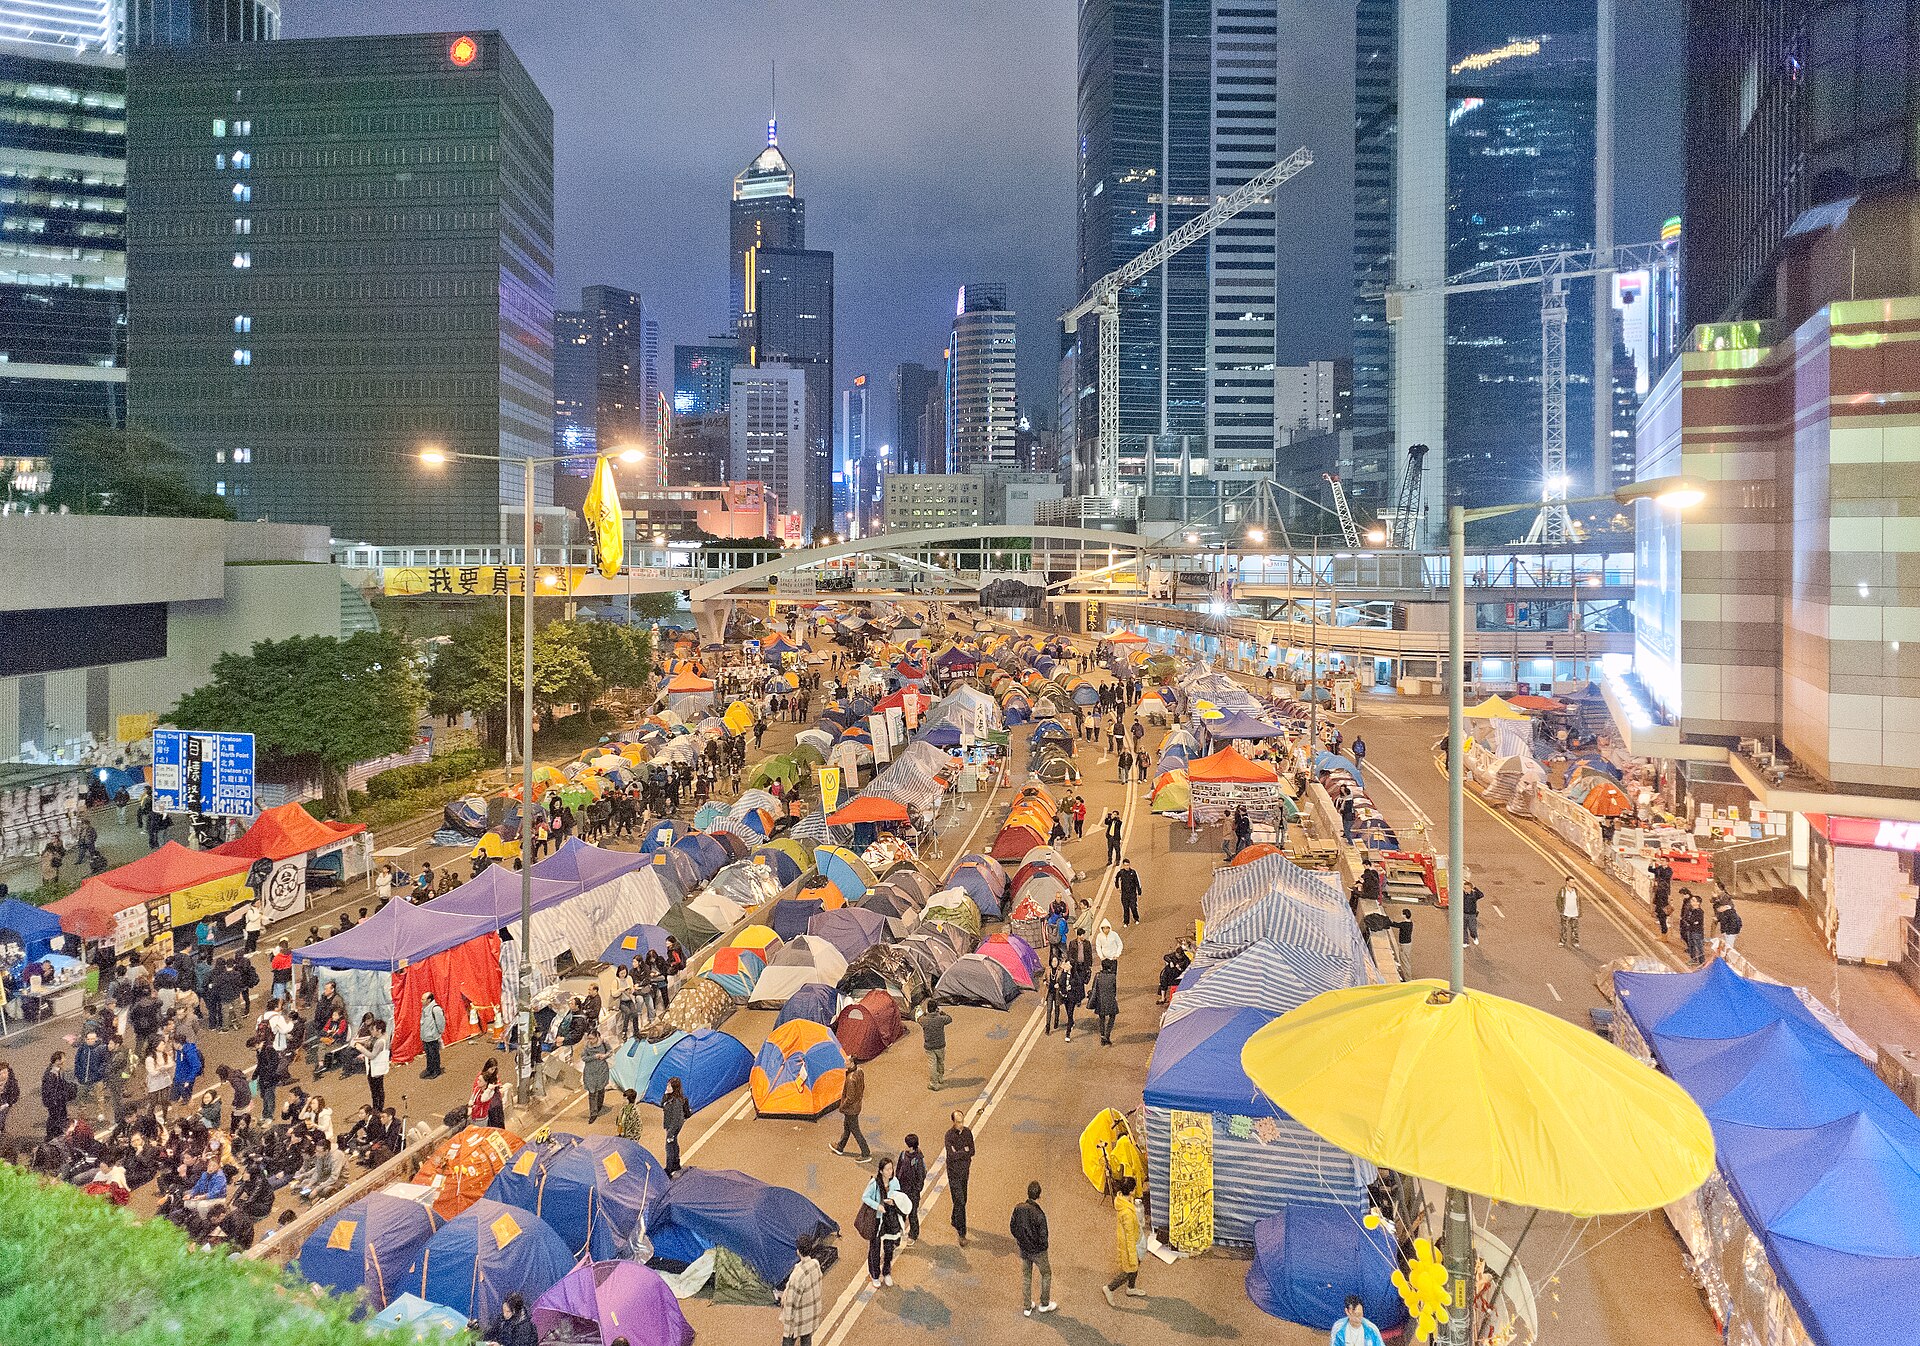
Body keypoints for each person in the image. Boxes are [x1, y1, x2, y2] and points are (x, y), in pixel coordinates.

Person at [859, 1157, 908, 1287]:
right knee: (874, 1248)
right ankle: (874, 1275)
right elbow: (865, 1197)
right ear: (881, 1171)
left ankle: (887, 1272)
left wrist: (893, 1202)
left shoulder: (895, 1182)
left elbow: (899, 1196)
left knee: (889, 1248)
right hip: (877, 1219)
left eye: (891, 1168)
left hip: (890, 1218)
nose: (890, 1171)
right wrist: (877, 1206)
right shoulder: (874, 1183)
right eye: (887, 1169)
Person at [1011, 1181, 1055, 1316]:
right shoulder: (1039, 1214)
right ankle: (1044, 1303)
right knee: (1046, 1274)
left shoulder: (1018, 1208)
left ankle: (1027, 1306)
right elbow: (1043, 1236)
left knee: (1026, 1276)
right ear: (1039, 1195)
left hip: (1024, 1249)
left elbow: (1012, 1227)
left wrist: (1020, 1240)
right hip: (1038, 1252)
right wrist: (1042, 1248)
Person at [1102, 1173, 1145, 1306]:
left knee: (1135, 1266)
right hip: (1130, 1245)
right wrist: (1132, 1258)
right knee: (1130, 1269)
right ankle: (1109, 1288)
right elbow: (1129, 1238)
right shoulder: (1127, 1213)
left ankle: (1131, 1288)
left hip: (1133, 1239)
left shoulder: (1124, 1201)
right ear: (1131, 1191)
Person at [780, 1234, 825, 1346]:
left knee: (788, 1343)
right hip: (811, 1314)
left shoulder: (797, 1275)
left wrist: (787, 1327)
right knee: (806, 1339)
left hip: (798, 1319)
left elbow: (791, 1304)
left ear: (798, 1251)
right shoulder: (815, 1264)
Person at [830, 1059, 872, 1161]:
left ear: (852, 1063)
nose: (844, 1063)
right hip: (856, 1106)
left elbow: (850, 1098)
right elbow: (862, 1087)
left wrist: (842, 1107)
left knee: (855, 1130)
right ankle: (840, 1147)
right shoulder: (860, 1071)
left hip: (850, 1109)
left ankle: (865, 1153)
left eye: (847, 1062)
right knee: (847, 1127)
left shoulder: (850, 1079)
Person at [944, 1110, 975, 1245]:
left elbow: (972, 1151)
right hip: (954, 1173)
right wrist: (964, 1151)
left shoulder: (967, 1132)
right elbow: (951, 1155)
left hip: (964, 1171)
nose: (961, 1124)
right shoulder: (949, 1135)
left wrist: (959, 1152)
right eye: (958, 1122)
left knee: (963, 1199)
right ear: (953, 1122)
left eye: (962, 1121)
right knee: (960, 1201)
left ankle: (954, 1218)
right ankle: (962, 1233)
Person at [895, 1134, 927, 1243]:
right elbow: (898, 1169)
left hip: (912, 1192)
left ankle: (913, 1234)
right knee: (900, 1213)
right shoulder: (903, 1155)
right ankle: (898, 1234)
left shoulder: (918, 1159)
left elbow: (921, 1176)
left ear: (911, 1147)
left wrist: (916, 1190)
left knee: (912, 1214)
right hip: (902, 1190)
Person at [358, 1019, 390, 1112]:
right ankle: (378, 1107)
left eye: (373, 1029)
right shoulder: (383, 1037)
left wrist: (361, 1049)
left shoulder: (380, 1041)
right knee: (379, 1088)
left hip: (375, 1067)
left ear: (379, 1030)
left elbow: (372, 1056)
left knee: (375, 1089)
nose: (371, 1031)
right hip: (378, 1066)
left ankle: (377, 1108)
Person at [918, 1000, 951, 1090]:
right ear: (936, 1008)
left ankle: (934, 1083)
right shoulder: (941, 1019)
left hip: (929, 1046)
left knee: (932, 1064)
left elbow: (919, 1018)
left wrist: (925, 1013)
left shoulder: (924, 1020)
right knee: (940, 1061)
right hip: (940, 1045)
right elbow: (949, 1019)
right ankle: (940, 1077)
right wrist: (941, 1012)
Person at [581, 1028, 612, 1122]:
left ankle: (599, 1106)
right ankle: (593, 1113)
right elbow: (583, 1057)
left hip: (601, 1069)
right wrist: (594, 1057)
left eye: (592, 1038)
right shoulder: (586, 1046)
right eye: (589, 1039)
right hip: (590, 1071)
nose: (590, 1041)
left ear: (597, 1036)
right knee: (592, 1092)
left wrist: (604, 1056)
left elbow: (610, 1051)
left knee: (601, 1089)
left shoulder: (604, 1043)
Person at [661, 1076, 690, 1175]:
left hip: (674, 1126)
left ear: (675, 1087)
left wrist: (671, 1133)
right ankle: (676, 1164)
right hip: (670, 1125)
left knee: (669, 1146)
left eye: (669, 1086)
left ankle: (669, 1168)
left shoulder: (676, 1101)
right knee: (674, 1143)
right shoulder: (669, 1097)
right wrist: (665, 1094)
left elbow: (676, 1118)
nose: (667, 1087)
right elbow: (662, 1104)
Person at [1090, 958, 1120, 1046]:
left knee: (1102, 1019)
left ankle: (1102, 1036)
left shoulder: (1098, 976)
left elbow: (1094, 988)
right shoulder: (1112, 976)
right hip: (1110, 999)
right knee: (1112, 1017)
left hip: (1100, 1000)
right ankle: (1107, 1035)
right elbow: (1114, 990)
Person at [469, 1058, 505, 1130]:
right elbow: (480, 1096)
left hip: (495, 1104)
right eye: (492, 1069)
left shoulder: (494, 1076)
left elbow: (498, 1083)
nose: (493, 1071)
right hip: (487, 1110)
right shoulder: (481, 1077)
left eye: (494, 1069)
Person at [418, 993, 445, 1080]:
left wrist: (438, 1033)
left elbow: (440, 1023)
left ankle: (436, 1070)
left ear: (429, 1000)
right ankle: (429, 1069)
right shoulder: (424, 1008)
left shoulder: (435, 1009)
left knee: (434, 1055)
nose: (421, 1001)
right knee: (428, 1055)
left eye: (423, 999)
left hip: (432, 1037)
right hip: (425, 1037)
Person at [1679, 890, 1706, 965]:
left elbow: (1693, 921)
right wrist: (1689, 921)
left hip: (1697, 932)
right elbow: (1686, 918)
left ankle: (1701, 961)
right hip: (1690, 930)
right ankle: (1694, 959)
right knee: (1691, 946)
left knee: (1699, 947)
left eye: (1693, 900)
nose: (1691, 901)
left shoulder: (1700, 912)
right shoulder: (1690, 910)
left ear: (1698, 903)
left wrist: (1689, 921)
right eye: (1691, 900)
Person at [1712, 891, 1743, 955]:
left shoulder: (1730, 913)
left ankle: (1730, 957)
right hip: (1729, 932)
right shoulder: (1725, 912)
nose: (1718, 911)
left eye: (1718, 909)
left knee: (1729, 947)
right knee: (1726, 946)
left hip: (1730, 933)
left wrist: (1727, 932)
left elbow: (1735, 923)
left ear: (1722, 907)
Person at [1556, 875, 1581, 949]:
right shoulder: (1563, 891)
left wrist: (1579, 911)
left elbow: (1578, 901)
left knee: (1575, 929)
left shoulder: (1576, 891)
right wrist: (1561, 909)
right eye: (1572, 882)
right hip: (1565, 913)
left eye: (1574, 882)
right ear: (1567, 882)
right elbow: (1558, 900)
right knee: (1564, 928)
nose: (1573, 884)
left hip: (1575, 913)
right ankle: (1562, 941)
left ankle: (1575, 942)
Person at [1115, 860, 1142, 927]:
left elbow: (1137, 882)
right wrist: (1117, 887)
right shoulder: (1121, 872)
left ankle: (1136, 918)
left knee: (1133, 907)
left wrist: (1139, 892)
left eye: (1128, 865)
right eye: (1125, 865)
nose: (1126, 867)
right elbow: (1116, 879)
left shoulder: (1133, 872)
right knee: (1125, 908)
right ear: (1123, 865)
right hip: (1124, 894)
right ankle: (1126, 922)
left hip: (1132, 893)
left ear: (1129, 865)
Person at [1651, 861, 1673, 935]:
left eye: (1663, 861)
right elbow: (1651, 870)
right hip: (1660, 906)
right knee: (1661, 919)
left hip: (1662, 908)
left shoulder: (1669, 870)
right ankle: (1663, 934)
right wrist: (1651, 864)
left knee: (1663, 920)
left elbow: (1666, 877)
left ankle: (1664, 934)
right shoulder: (1659, 868)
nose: (1662, 862)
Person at [1461, 877, 1483, 947]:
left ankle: (1474, 936)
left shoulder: (1474, 895)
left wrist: (1475, 888)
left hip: (1472, 915)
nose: (1465, 889)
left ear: (1471, 888)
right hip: (1463, 913)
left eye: (1467, 888)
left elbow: (1481, 895)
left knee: (1472, 928)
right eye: (1464, 888)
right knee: (1463, 928)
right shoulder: (1462, 895)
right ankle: (1465, 941)